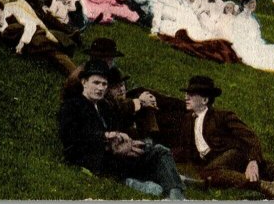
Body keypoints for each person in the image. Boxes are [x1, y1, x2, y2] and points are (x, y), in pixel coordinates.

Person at [58, 60, 186, 199]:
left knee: (160, 150)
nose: (100, 88)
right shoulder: (72, 105)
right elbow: (71, 136)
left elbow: (117, 130)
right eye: (96, 83)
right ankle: (138, 181)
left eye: (104, 84)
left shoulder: (104, 106)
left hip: (115, 155)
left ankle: (175, 194)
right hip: (91, 157)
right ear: (84, 82)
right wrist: (106, 138)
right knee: (141, 164)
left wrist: (126, 144)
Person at [173, 76, 274, 200]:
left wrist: (253, 160)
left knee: (209, 173)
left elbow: (249, 136)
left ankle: (265, 186)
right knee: (214, 170)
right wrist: (166, 155)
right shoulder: (187, 121)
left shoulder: (221, 116)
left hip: (235, 153)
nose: (186, 97)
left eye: (191, 94)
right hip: (218, 161)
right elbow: (185, 149)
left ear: (204, 100)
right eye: (186, 93)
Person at [0, 0, 76, 74]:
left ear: (1, 10)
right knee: (51, 62)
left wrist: (22, 42)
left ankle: (78, 75)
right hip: (31, 51)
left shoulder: (13, 16)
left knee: (57, 55)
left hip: (36, 38)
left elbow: (31, 24)